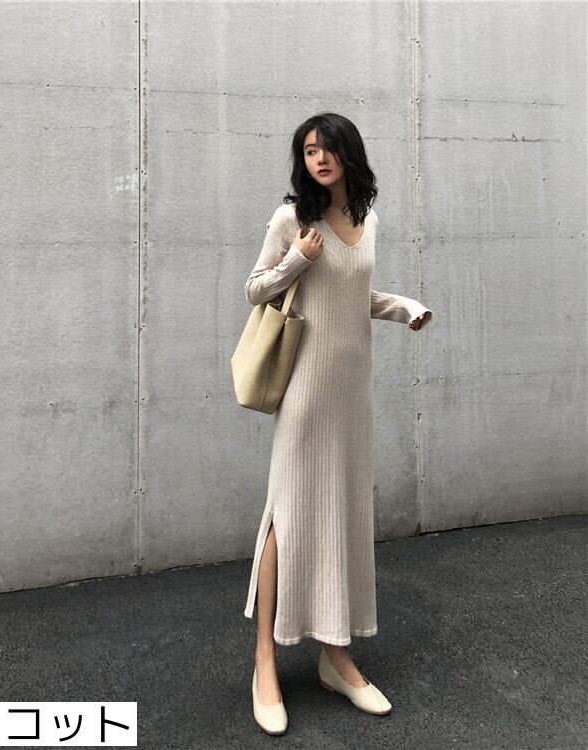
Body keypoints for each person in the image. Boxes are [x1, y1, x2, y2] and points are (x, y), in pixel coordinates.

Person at [243, 112, 433, 735]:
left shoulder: (367, 220)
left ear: (350, 154)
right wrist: (297, 259)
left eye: (328, 148)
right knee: (286, 514)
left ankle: (335, 656)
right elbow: (255, 290)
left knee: (342, 516)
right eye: (309, 150)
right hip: (304, 390)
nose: (319, 158)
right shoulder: (291, 220)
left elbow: (352, 298)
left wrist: (403, 306)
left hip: (352, 395)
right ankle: (265, 662)